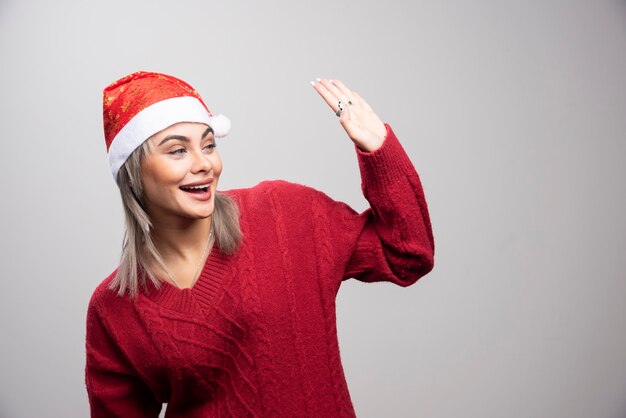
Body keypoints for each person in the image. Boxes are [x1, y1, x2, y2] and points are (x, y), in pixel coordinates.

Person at [85, 71, 435, 417]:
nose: (204, 163)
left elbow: (406, 254)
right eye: (178, 151)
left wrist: (379, 151)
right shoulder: (114, 309)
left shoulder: (284, 213)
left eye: (209, 145)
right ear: (133, 174)